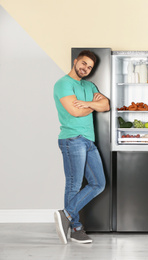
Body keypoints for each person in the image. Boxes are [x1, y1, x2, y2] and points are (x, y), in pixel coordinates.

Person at [53, 50, 110, 244]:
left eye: (89, 67)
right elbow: (74, 112)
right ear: (76, 61)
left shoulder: (89, 85)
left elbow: (106, 105)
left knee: (98, 184)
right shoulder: (63, 84)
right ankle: (76, 228)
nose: (85, 68)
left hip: (88, 141)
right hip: (72, 139)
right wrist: (94, 105)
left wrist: (86, 103)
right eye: (84, 63)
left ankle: (66, 214)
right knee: (74, 184)